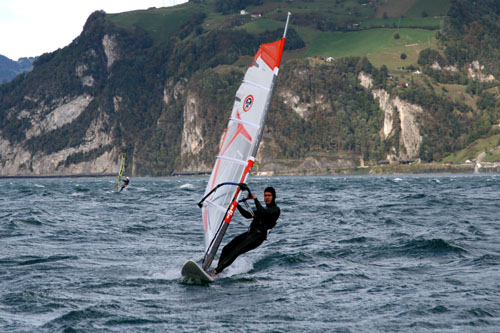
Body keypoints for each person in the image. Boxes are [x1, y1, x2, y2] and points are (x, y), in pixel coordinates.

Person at [213, 185, 280, 275]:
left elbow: (264, 213)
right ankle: (218, 270)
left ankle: (216, 271)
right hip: (250, 233)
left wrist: (255, 199)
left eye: (269, 195)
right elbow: (247, 215)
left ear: (273, 197)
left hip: (258, 237)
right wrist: (236, 204)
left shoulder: (275, 210)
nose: (267, 197)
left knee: (237, 250)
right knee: (226, 248)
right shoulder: (263, 209)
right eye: (265, 195)